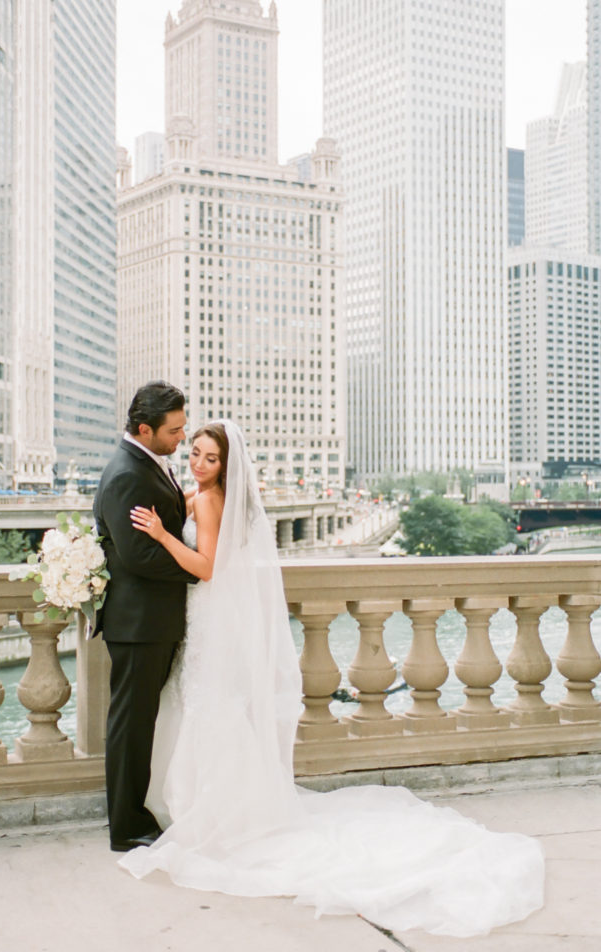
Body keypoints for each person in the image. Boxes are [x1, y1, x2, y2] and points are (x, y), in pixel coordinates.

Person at [120, 420, 545, 937]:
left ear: (227, 465)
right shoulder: (208, 495)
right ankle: (217, 805)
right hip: (211, 621)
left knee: (210, 707)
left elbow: (206, 568)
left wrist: (162, 534)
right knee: (211, 707)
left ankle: (214, 813)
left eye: (210, 458)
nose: (199, 464)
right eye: (195, 453)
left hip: (208, 612)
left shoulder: (209, 501)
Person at [92, 381, 198, 852]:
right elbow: (138, 557)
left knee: (141, 722)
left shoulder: (149, 463)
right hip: (138, 625)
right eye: (174, 430)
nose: (182, 437)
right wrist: (199, 570)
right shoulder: (126, 474)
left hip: (150, 621)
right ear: (144, 429)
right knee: (131, 727)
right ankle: (127, 826)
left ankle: (136, 813)